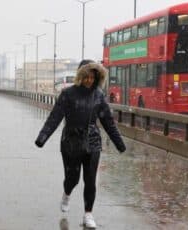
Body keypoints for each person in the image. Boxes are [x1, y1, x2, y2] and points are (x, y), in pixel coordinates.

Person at [34, 60, 126, 228]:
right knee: (73, 178)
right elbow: (55, 117)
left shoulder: (98, 95)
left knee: (90, 180)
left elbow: (108, 121)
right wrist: (42, 137)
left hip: (92, 142)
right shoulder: (67, 94)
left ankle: (88, 214)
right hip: (71, 142)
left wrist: (119, 143)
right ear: (80, 76)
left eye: (92, 77)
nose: (89, 80)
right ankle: (66, 194)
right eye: (86, 77)